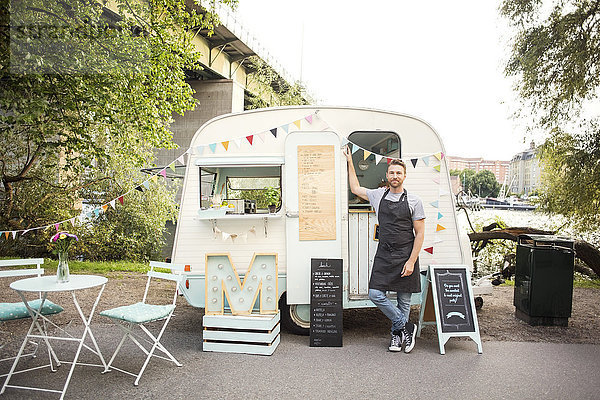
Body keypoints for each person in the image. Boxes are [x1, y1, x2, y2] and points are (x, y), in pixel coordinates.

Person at [344, 146, 425, 353]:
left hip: (406, 255)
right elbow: (355, 188)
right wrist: (350, 162)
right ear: (386, 175)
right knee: (375, 294)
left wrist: (411, 261)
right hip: (385, 254)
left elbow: (420, 234)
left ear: (404, 176)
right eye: (392, 173)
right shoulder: (378, 195)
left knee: (404, 300)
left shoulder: (415, 201)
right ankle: (407, 326)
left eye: (399, 173)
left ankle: (397, 338)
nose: (395, 176)